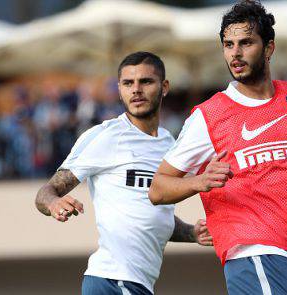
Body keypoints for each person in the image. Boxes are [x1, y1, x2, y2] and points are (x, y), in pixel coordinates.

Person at [148, 1, 287, 294]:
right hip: (253, 254)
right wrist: (199, 181)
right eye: (228, 45)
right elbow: (157, 189)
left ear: (269, 48)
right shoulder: (209, 115)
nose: (235, 53)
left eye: (246, 43)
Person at [35, 51, 212, 295]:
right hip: (112, 280)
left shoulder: (169, 143)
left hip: (135, 284)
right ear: (119, 89)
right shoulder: (106, 136)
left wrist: (191, 233)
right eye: (128, 83)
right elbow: (46, 191)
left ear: (165, 87)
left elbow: (154, 218)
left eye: (146, 81)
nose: (136, 90)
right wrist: (54, 203)